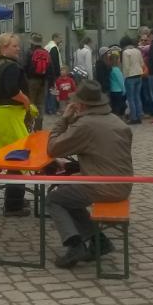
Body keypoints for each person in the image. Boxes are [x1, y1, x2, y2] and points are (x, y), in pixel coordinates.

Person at [46, 79, 134, 268]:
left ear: (81, 104)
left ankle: (75, 246)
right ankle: (98, 241)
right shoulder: (116, 120)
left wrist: (65, 119)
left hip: (103, 187)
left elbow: (53, 148)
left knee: (54, 199)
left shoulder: (85, 125)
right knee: (68, 192)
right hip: (123, 184)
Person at [0, 33, 33, 216]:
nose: (18, 49)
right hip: (9, 117)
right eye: (14, 46)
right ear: (4, 48)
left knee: (11, 158)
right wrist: (26, 100)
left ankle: (15, 199)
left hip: (1, 115)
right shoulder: (10, 66)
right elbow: (12, 90)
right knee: (18, 158)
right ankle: (13, 205)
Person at [24, 33, 50, 131]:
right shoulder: (46, 52)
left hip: (31, 81)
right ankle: (38, 127)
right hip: (43, 82)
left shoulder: (29, 52)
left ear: (32, 42)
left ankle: (27, 126)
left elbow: (24, 66)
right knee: (40, 105)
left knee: (30, 103)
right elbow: (50, 68)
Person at [121, 37, 144, 125]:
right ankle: (139, 115)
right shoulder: (137, 51)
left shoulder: (125, 52)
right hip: (139, 75)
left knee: (131, 98)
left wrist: (124, 77)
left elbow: (126, 66)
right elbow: (142, 63)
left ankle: (133, 118)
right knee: (137, 97)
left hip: (130, 76)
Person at [44, 33, 64, 114]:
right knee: (53, 91)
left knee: (48, 91)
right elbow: (55, 62)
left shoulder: (47, 46)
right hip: (53, 73)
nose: (61, 40)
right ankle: (52, 109)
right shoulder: (53, 47)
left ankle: (47, 108)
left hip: (47, 72)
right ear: (55, 38)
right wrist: (58, 74)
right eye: (60, 38)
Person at [109, 50, 126, 117]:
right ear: (116, 61)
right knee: (120, 106)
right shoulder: (117, 70)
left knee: (114, 106)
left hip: (112, 90)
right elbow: (121, 81)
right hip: (118, 90)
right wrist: (124, 90)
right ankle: (119, 117)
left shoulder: (110, 69)